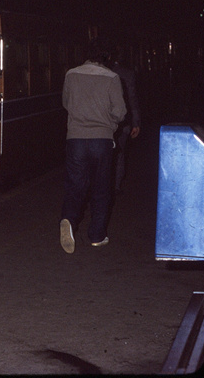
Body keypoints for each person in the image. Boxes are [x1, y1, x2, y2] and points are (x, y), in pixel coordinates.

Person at [60, 38, 127, 253]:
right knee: (101, 187)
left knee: (76, 184)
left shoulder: (71, 74)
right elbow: (120, 111)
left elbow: (66, 103)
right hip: (102, 140)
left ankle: (68, 219)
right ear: (107, 57)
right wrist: (111, 123)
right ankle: (97, 235)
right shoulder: (112, 77)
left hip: (76, 139)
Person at [110, 45, 141, 195]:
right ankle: (116, 185)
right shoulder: (127, 74)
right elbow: (132, 99)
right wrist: (135, 122)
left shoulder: (102, 72)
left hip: (103, 120)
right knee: (120, 152)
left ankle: (104, 184)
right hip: (123, 121)